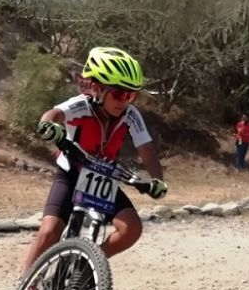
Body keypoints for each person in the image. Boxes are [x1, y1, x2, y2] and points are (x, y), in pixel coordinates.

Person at [23, 47, 168, 275]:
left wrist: (158, 180)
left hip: (103, 179)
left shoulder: (130, 114)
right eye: (120, 94)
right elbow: (55, 114)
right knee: (50, 231)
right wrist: (48, 125)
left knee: (132, 229)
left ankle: (85, 266)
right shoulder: (82, 104)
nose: (125, 102)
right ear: (98, 89)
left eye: (131, 95)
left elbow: (146, 148)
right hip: (71, 173)